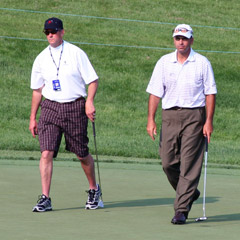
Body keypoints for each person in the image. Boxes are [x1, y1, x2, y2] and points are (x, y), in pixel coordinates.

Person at [146, 24, 217, 224]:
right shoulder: (163, 62)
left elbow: (210, 93)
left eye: (184, 38)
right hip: (169, 116)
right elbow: (155, 92)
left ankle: (181, 210)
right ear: (174, 40)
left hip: (195, 117)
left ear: (191, 40)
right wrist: (151, 119)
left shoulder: (202, 62)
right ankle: (189, 191)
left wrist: (208, 122)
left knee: (189, 163)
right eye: (178, 38)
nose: (181, 42)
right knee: (168, 162)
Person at [29, 17, 101, 212]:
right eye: (47, 32)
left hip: (74, 107)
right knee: (46, 152)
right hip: (50, 108)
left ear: (62, 32)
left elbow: (92, 80)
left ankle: (94, 189)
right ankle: (45, 197)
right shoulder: (41, 58)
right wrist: (33, 117)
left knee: (81, 153)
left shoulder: (76, 53)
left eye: (53, 31)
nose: (50, 35)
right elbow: (37, 90)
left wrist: (89, 102)